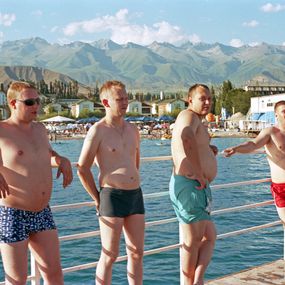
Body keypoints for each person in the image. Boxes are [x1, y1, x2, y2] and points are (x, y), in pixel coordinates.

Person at [0, 81, 73, 285]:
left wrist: (60, 160)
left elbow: (46, 155)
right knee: (17, 280)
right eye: (30, 102)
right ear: (13, 104)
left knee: (54, 274)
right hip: (13, 213)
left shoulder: (40, 129)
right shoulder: (1, 131)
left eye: (38, 101)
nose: (36, 107)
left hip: (42, 212)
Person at [77, 80, 145, 285]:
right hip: (111, 196)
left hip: (135, 195)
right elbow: (82, 168)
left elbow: (135, 162)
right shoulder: (98, 131)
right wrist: (97, 198)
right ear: (106, 102)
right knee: (110, 254)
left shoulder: (133, 129)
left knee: (137, 252)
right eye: (119, 99)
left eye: (126, 98)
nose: (125, 102)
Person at [169, 84, 217, 285]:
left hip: (196, 186)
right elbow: (186, 136)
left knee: (208, 236)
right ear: (190, 100)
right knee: (193, 242)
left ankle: (197, 280)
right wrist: (198, 172)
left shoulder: (196, 119)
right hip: (191, 184)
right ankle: (192, 282)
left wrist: (207, 149)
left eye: (209, 98)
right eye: (202, 98)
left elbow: (193, 141)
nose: (207, 102)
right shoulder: (188, 116)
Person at [223, 100, 285, 226]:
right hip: (281, 188)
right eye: (284, 111)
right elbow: (253, 144)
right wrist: (236, 148)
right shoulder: (271, 132)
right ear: (276, 115)